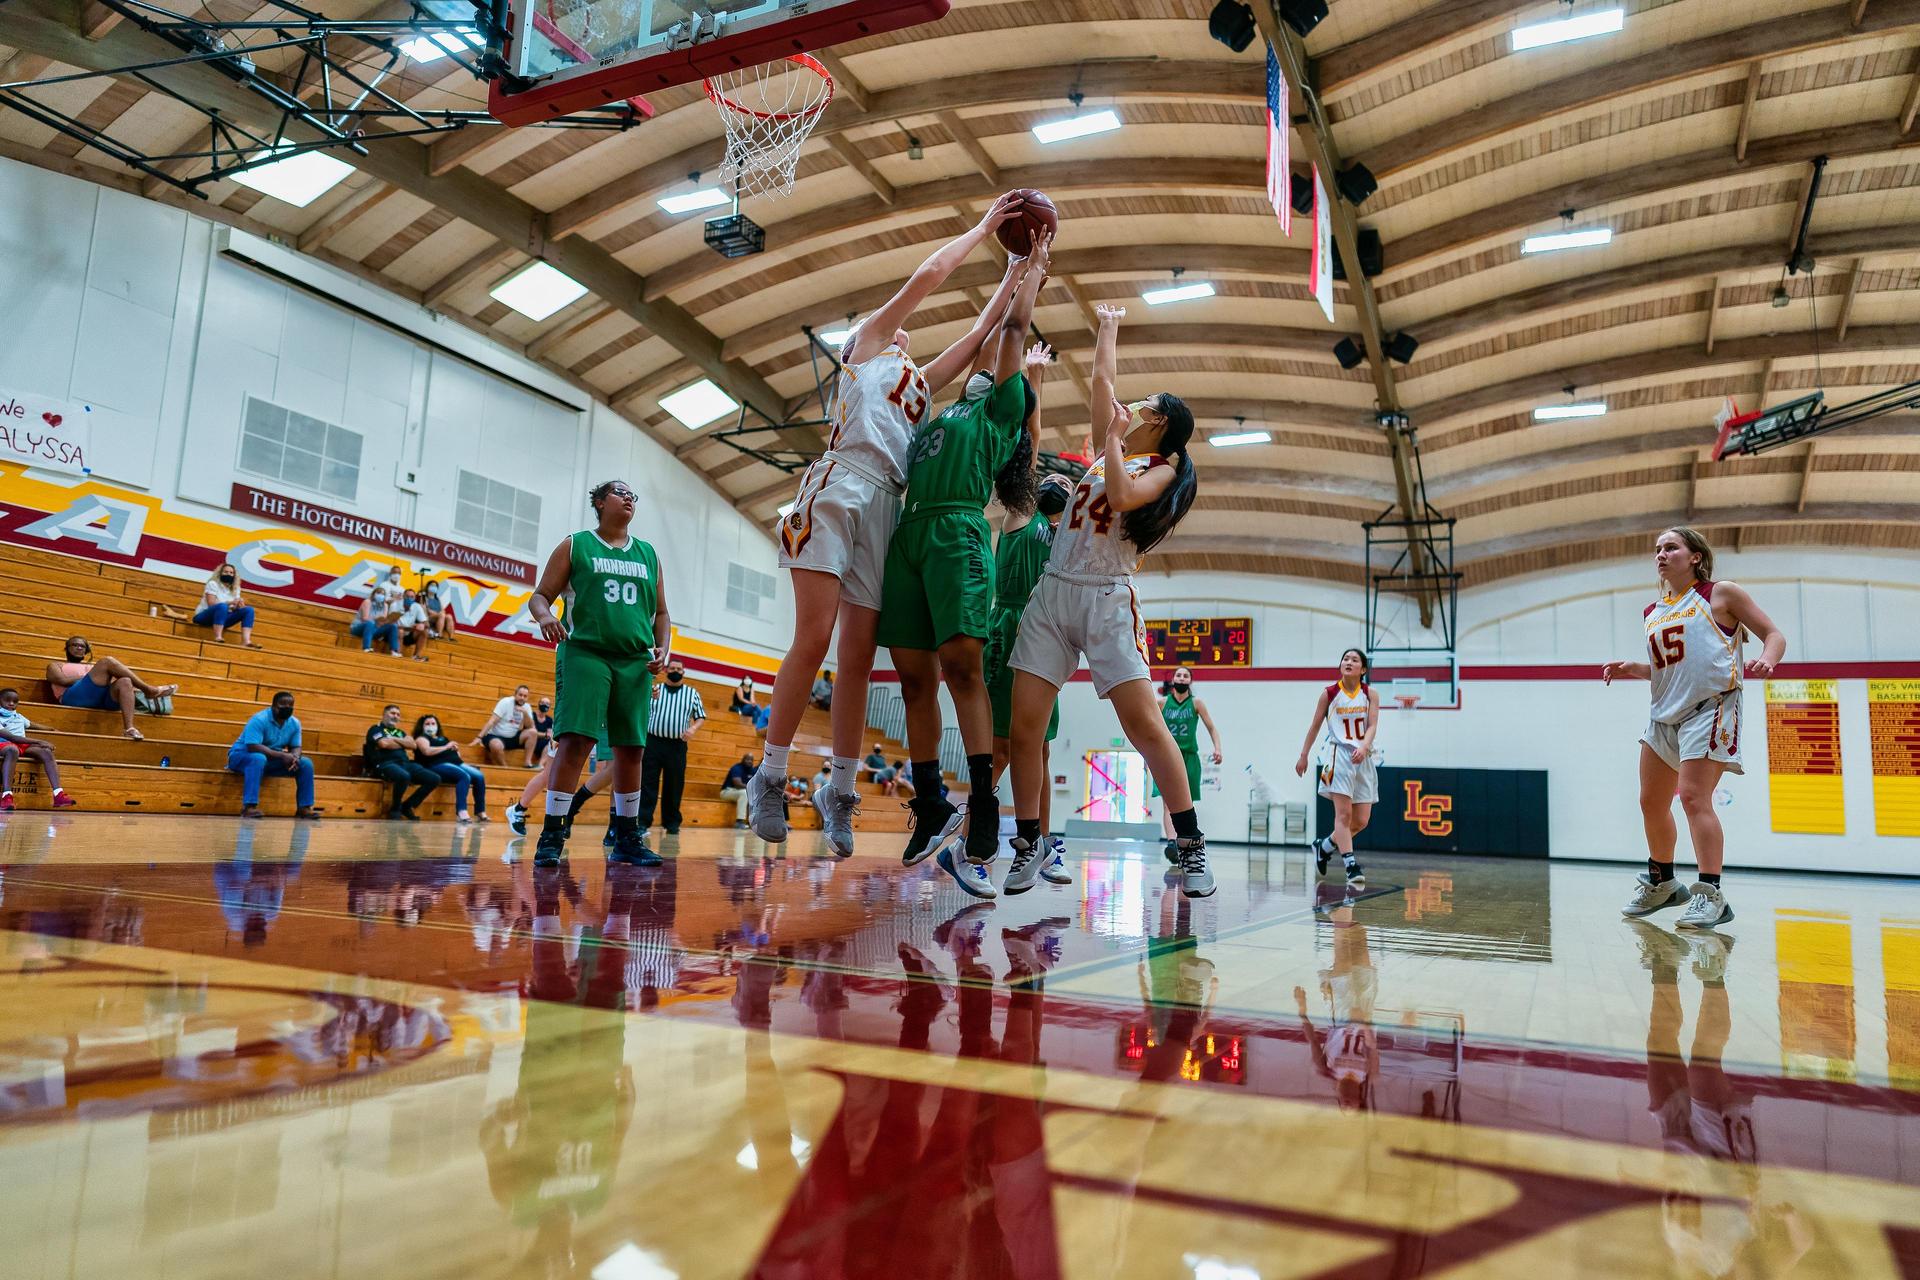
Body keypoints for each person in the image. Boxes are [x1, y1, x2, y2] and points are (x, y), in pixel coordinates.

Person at [743, 194, 1030, 855]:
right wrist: (984, 228)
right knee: (813, 638)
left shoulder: (920, 386)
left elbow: (982, 336)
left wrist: (1018, 270)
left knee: (857, 662)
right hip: (838, 486)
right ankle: (771, 773)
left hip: (886, 509)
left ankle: (839, 791)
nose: (908, 332)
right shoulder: (867, 347)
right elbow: (928, 277)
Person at [1004, 303, 1205, 899]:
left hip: (1106, 600)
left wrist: (1113, 440)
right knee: (1024, 730)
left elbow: (1118, 495)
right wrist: (1109, 327)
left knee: (1144, 726)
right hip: (1053, 593)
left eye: (1150, 405)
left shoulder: (1162, 471)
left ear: (1161, 424)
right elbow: (1102, 382)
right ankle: (1030, 842)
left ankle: (1191, 847)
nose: (1134, 404)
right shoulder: (1111, 443)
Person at [880, 237, 1051, 886]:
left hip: (955, 530)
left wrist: (1027, 273)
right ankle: (930, 805)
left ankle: (982, 802)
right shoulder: (939, 411)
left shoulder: (1002, 409)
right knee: (916, 680)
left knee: (962, 669)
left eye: (995, 367)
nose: (983, 365)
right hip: (909, 535)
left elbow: (1005, 330)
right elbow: (980, 339)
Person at [1607, 526, 1785, 930]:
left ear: (1695, 557)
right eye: (1657, 549)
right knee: (1650, 801)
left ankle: (1711, 894)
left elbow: (1773, 634)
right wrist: (1634, 668)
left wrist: (1768, 659)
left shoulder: (1721, 593)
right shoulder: (1653, 612)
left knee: (1692, 797)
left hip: (1712, 708)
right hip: (1664, 713)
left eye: (1671, 547)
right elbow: (1669, 667)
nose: (1661, 554)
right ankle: (1663, 882)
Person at [527, 479, 670, 867]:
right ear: (600, 502)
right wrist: (545, 617)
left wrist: (664, 649)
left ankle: (627, 837)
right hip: (586, 653)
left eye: (633, 496)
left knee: (631, 749)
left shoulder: (648, 554)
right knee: (576, 742)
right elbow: (540, 595)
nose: (629, 499)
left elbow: (660, 613)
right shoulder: (576, 544)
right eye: (620, 493)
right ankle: (552, 834)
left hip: (635, 660)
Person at [984, 361, 1074, 886]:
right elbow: (1029, 447)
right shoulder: (1022, 515)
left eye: (1067, 480)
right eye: (1051, 478)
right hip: (1009, 629)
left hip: (1047, 641)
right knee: (1001, 750)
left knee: (1038, 749)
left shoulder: (1067, 539)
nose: (1057, 480)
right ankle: (971, 835)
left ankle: (1041, 843)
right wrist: (1035, 381)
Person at [1294, 649, 1376, 890]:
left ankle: (1325, 847)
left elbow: (1372, 726)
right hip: (1337, 754)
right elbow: (1315, 726)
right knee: (1344, 816)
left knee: (1361, 820)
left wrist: (1365, 745)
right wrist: (1304, 755)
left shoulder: (1371, 693)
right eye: (1345, 659)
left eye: (1354, 660)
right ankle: (1351, 866)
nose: (1348, 662)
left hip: (1363, 756)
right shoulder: (1329, 693)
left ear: (1363, 669)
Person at [44, 635, 176, 741]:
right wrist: (89, 678)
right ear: (67, 648)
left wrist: (95, 676)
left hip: (101, 698)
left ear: (86, 651)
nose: (79, 648)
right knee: (107, 661)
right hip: (73, 698)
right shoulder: (56, 665)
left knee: (125, 681)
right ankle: (148, 690)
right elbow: (60, 680)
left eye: (82, 646)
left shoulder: (94, 668)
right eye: (75, 645)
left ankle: (129, 729)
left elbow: (112, 682)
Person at [1155, 666, 1224, 857]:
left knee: (1185, 803)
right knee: (1168, 803)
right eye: (1179, 675)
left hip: (1189, 756)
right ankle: (1171, 843)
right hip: (1167, 756)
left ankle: (1182, 842)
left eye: (1186, 676)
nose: (1182, 678)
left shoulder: (1197, 703)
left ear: (1190, 681)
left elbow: (1212, 728)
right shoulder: (1161, 703)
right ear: (1173, 680)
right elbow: (1149, 728)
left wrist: (1217, 748)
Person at [226, 691, 320, 819]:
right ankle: (249, 807)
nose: (287, 708)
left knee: (306, 763)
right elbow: (253, 746)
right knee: (258, 758)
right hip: (242, 756)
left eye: (290, 705)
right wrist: (282, 756)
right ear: (273, 706)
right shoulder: (259, 719)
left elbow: (296, 747)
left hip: (270, 760)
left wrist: (295, 758)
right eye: (283, 705)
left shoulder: (295, 723)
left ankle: (304, 808)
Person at [640, 659, 704, 835]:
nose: (675, 671)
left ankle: (672, 823)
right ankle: (643, 822)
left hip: (677, 746)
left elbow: (700, 716)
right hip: (653, 742)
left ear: (683, 672)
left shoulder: (692, 693)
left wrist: (693, 728)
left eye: (679, 669)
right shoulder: (655, 689)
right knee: (647, 783)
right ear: (667, 670)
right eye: (673, 668)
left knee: (674, 785)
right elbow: (642, 708)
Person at [0, 687, 75, 811]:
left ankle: (58, 794)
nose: (11, 703)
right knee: (12, 750)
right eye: (7, 700)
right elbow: (12, 737)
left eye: (15, 701)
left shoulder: (18, 717)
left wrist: (52, 729)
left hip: (21, 745)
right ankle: (6, 796)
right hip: (5, 744)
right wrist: (39, 741)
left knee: (46, 751)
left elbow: (35, 725)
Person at [365, 703, 440, 820]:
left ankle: (407, 806)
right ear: (384, 714)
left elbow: (413, 745)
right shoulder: (375, 729)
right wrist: (402, 743)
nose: (395, 716)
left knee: (434, 779)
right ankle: (395, 808)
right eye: (392, 713)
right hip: (385, 764)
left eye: (398, 715)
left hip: (405, 763)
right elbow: (383, 744)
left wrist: (393, 739)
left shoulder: (400, 732)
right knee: (404, 776)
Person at [414, 713, 489, 823]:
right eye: (427, 724)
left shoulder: (443, 738)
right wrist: (446, 747)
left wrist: (455, 750)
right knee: (464, 776)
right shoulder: (421, 738)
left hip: (456, 763)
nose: (431, 726)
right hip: (436, 764)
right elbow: (427, 751)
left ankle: (480, 811)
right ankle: (461, 811)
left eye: (433, 723)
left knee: (479, 776)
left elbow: (455, 754)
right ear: (422, 726)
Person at [195, 561, 259, 647]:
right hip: (205, 616)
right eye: (226, 572)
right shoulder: (213, 584)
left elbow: (232, 608)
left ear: (234, 575)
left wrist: (238, 606)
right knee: (222, 606)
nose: (228, 574)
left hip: (223, 617)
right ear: (220, 573)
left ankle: (246, 641)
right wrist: (230, 603)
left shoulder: (236, 588)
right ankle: (218, 636)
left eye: (231, 573)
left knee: (249, 610)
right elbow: (211, 604)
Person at [476, 685, 536, 766]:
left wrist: (525, 713)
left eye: (525, 696)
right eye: (520, 695)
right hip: (495, 735)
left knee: (533, 732)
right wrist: (479, 737)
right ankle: (505, 768)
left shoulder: (527, 707)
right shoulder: (505, 702)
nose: (522, 698)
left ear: (527, 698)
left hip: (513, 737)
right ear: (515, 695)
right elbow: (492, 720)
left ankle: (527, 763)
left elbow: (530, 726)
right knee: (496, 745)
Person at [350, 588, 401, 656]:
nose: (381, 595)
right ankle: (366, 648)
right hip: (359, 628)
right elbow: (364, 618)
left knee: (393, 626)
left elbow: (383, 620)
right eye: (378, 593)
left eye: (383, 594)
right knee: (370, 623)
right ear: (374, 594)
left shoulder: (385, 605)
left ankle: (394, 651)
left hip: (374, 630)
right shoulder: (367, 602)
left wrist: (389, 620)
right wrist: (377, 619)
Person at [720, 752, 756, 828]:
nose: (749, 761)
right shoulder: (736, 768)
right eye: (747, 759)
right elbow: (738, 784)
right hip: (727, 791)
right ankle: (739, 821)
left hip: (740, 792)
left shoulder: (752, 770)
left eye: (751, 760)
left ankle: (754, 822)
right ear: (743, 760)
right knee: (745, 793)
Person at [397, 588, 432, 662]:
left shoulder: (416, 606)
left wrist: (422, 625)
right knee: (400, 631)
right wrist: (412, 627)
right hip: (395, 634)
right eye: (407, 596)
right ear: (403, 596)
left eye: (412, 597)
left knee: (424, 631)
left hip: (408, 635)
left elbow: (427, 624)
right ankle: (398, 654)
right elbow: (392, 626)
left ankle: (416, 656)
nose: (409, 598)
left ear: (415, 598)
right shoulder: (396, 604)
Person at [528, 695, 555, 766]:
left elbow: (549, 735)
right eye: (543, 702)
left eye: (547, 704)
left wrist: (545, 735)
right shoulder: (532, 715)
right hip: (530, 741)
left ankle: (540, 765)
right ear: (539, 703)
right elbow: (531, 732)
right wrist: (544, 735)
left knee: (551, 743)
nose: (545, 705)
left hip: (542, 743)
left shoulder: (549, 720)